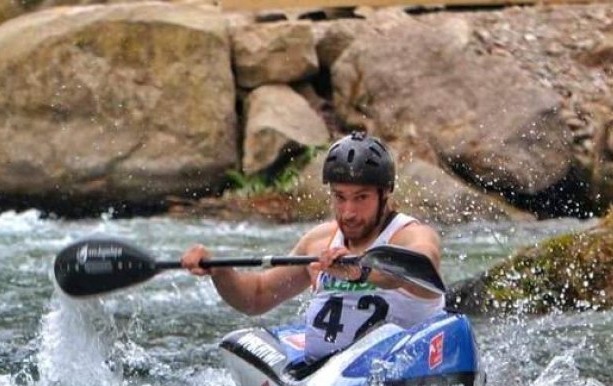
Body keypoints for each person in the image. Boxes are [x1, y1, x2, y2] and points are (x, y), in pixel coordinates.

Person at [180, 131, 445, 363]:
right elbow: (256, 297)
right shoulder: (319, 242)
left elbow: (423, 265)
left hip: (402, 370)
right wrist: (217, 270)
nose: (348, 212)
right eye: (340, 197)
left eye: (361, 198)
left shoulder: (411, 236)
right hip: (324, 380)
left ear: (385, 193)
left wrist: (359, 271)